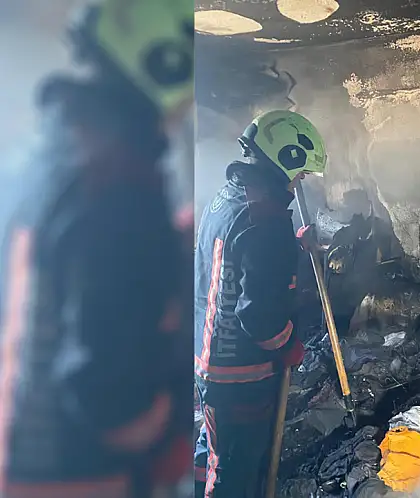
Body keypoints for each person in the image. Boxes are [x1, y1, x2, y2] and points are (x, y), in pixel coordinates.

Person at [0, 1, 195, 497]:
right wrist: (166, 423)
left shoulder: (42, 161)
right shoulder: (120, 186)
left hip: (24, 459)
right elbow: (114, 404)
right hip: (85, 476)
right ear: (166, 62)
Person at [193, 110, 327, 497]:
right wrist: (289, 346)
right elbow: (258, 316)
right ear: (286, 160)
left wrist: (293, 249)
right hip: (240, 373)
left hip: (208, 356)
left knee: (214, 449)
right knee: (236, 465)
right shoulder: (268, 224)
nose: (300, 183)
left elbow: (234, 263)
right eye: (301, 174)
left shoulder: (227, 200)